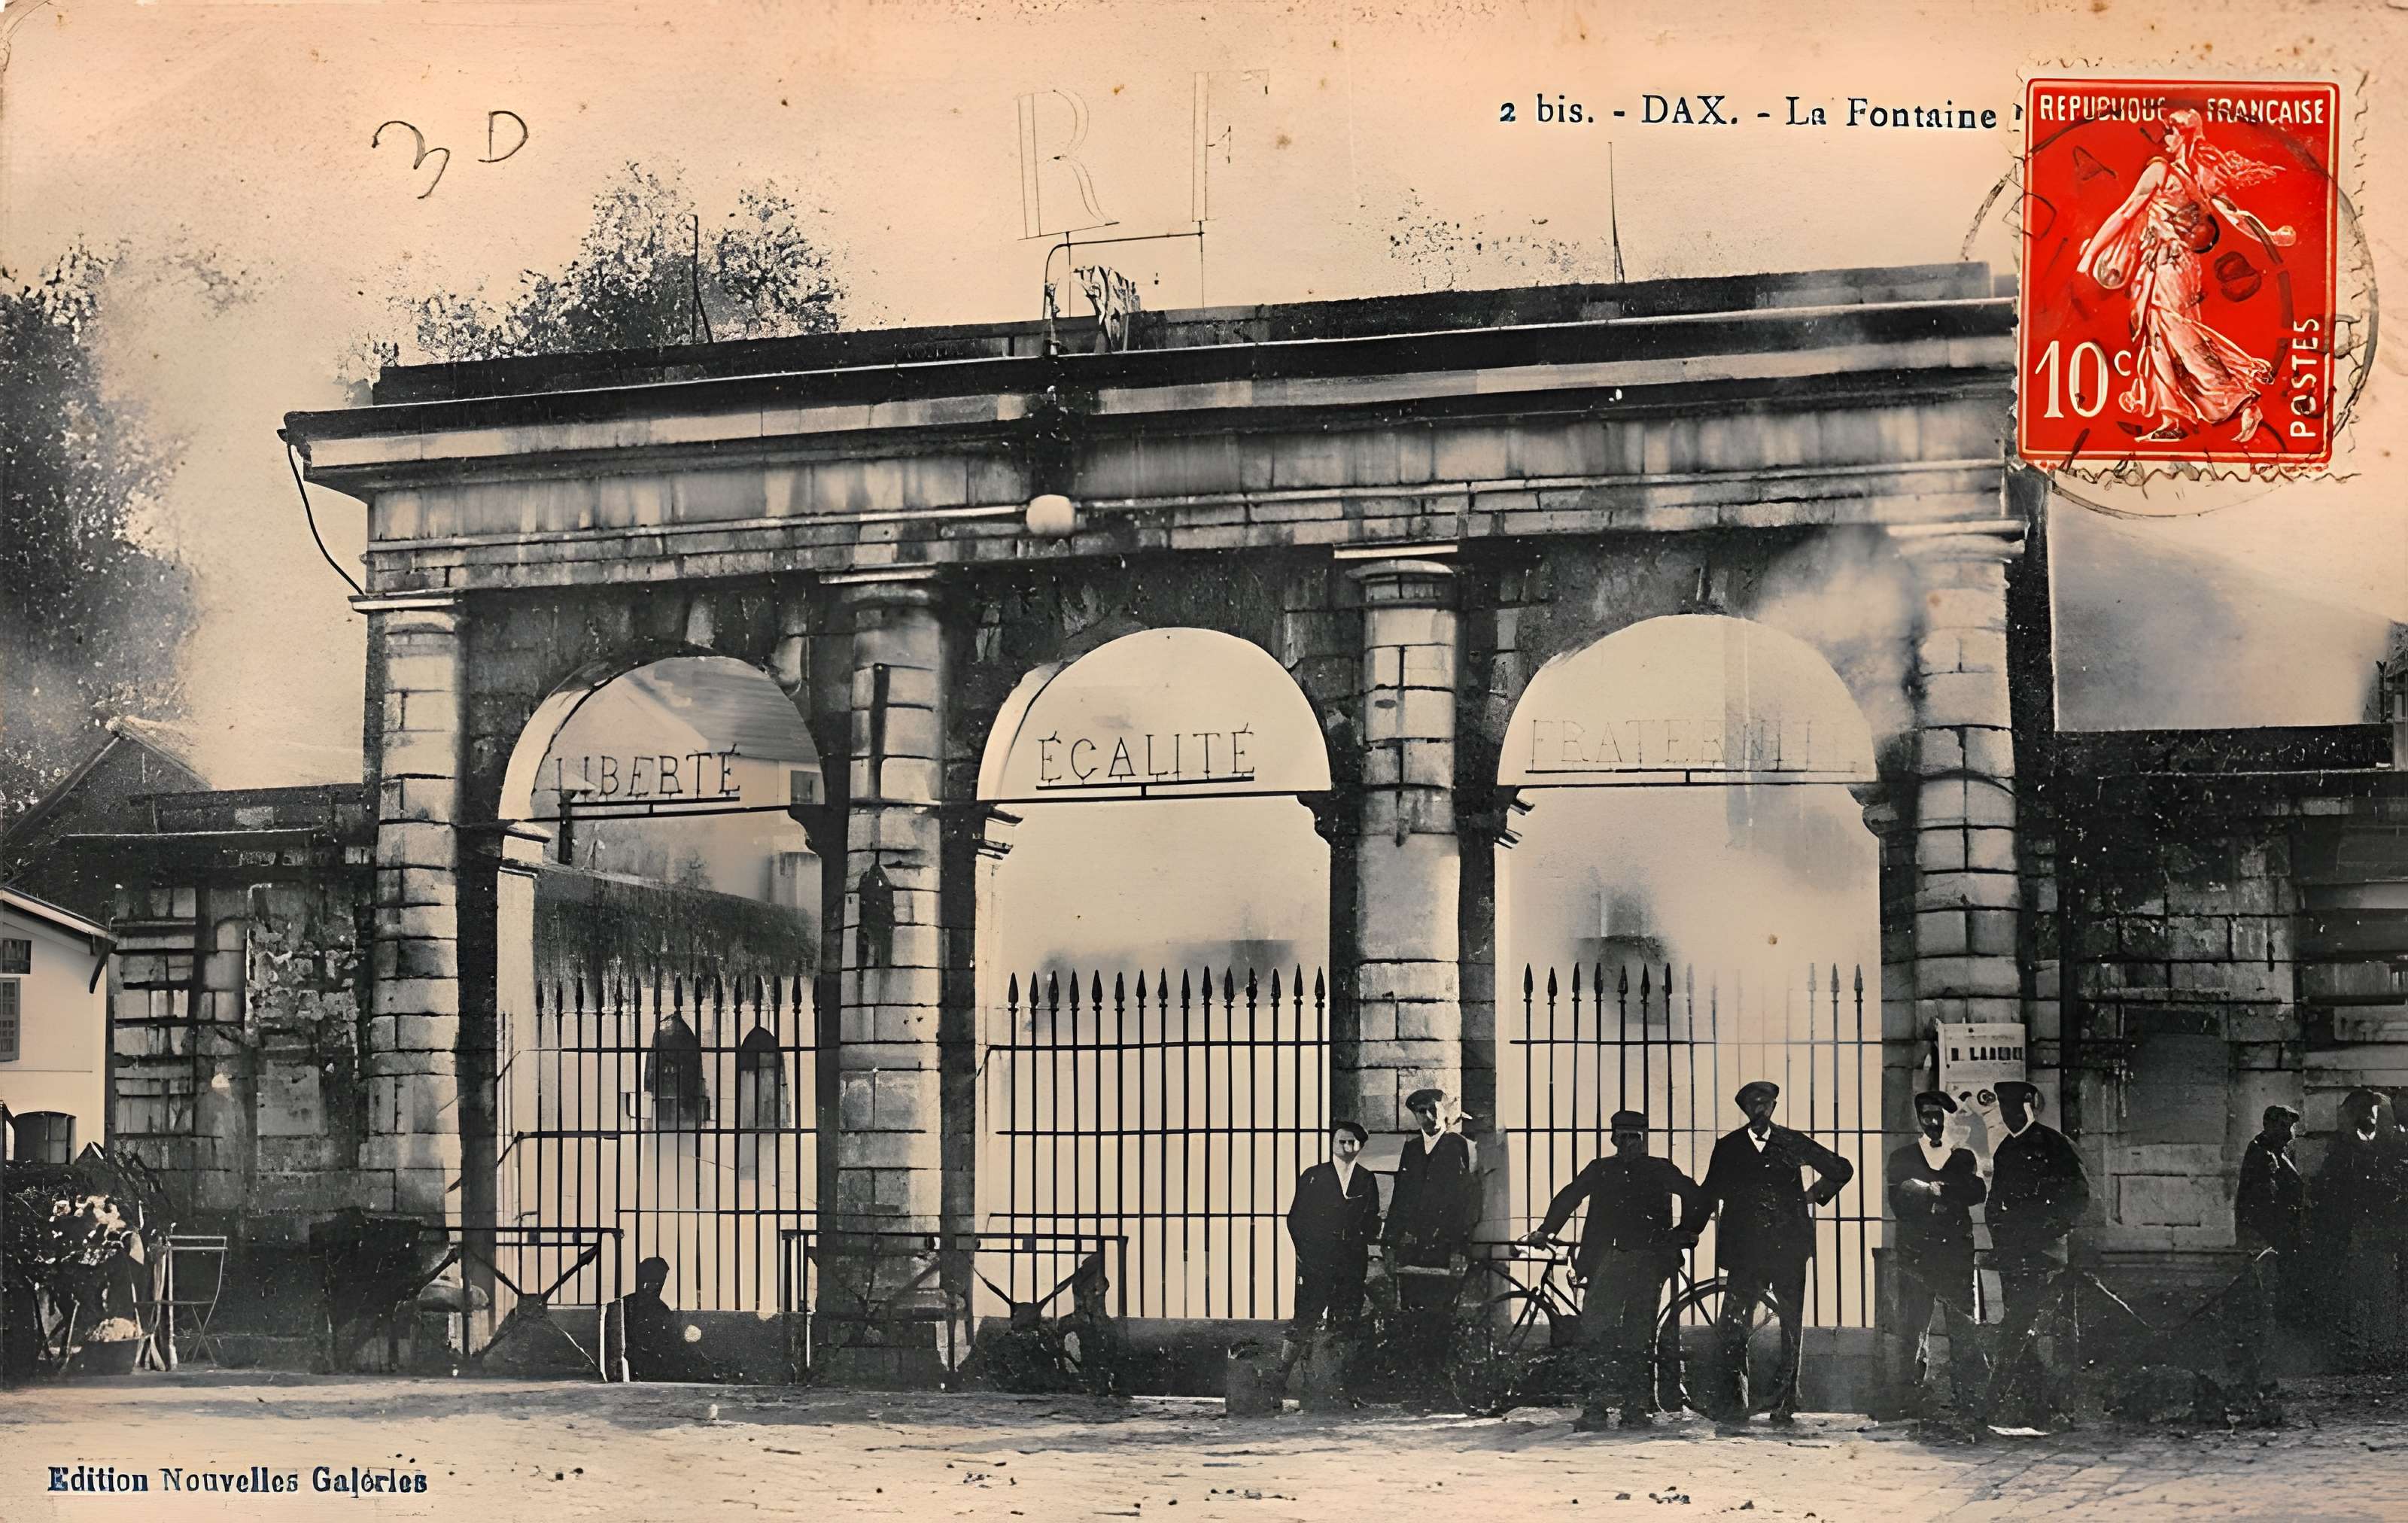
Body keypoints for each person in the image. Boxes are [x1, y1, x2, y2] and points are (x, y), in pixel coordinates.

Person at [2073, 107, 2297, 446]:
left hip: (2170, 266)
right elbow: (2235, 217)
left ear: (2184, 136)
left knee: (2179, 334)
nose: (2165, 138)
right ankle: (2172, 417)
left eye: (2171, 132)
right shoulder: (2197, 174)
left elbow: (2126, 213)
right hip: (2161, 265)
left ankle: (2240, 401)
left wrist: (2090, 255)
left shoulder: (2165, 172)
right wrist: (2271, 236)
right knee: (2156, 334)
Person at [1519, 1109, 1707, 1430]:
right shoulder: (1601, 1169)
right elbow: (1569, 1196)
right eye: (1623, 1138)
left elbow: (1698, 1197)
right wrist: (1546, 1230)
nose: (1629, 1144)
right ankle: (1595, 1407)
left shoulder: (1660, 1169)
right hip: (1606, 1261)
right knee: (1595, 1331)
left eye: (1635, 1138)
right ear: (1613, 1139)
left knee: (1639, 1334)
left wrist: (1686, 1231)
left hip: (1649, 1262)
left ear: (1644, 1140)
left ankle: (1637, 1408)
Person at [1698, 1080, 1853, 1425]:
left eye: (1765, 1103)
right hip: (1745, 1251)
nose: (1760, 1109)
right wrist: (1690, 1230)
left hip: (1789, 1248)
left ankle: (1786, 1403)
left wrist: (1813, 1196)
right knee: (1733, 1326)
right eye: (1753, 1103)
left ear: (1773, 1107)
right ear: (1744, 1109)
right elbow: (1710, 1192)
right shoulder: (1728, 1147)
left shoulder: (1791, 1141)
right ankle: (1734, 1405)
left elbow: (1841, 1169)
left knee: (1791, 1326)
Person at [1982, 1080, 2090, 1425]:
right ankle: (2028, 1405)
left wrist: (2048, 1232)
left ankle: (2056, 1407)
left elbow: (2078, 1195)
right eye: (2005, 1110)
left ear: (2030, 1106)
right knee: (2019, 1327)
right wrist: (2001, 1239)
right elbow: (1994, 1204)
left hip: (2048, 1256)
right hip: (2014, 1256)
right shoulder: (2005, 1150)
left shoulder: (2054, 1144)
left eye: (2017, 1108)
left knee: (2050, 1329)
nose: (2011, 1116)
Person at [1884, 1090, 1988, 1415]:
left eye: (1938, 1116)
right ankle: (1912, 1400)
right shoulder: (1902, 1158)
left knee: (1964, 1326)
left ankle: (1970, 1399)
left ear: (1949, 1119)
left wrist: (1934, 1190)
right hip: (1917, 1256)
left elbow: (1977, 1192)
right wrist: (1940, 1198)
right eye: (1926, 1116)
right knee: (1913, 1328)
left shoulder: (1965, 1157)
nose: (1932, 1122)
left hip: (1956, 1255)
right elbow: (1899, 1203)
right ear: (1919, 1119)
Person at [1382, 1087, 1479, 1399]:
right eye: (1420, 1111)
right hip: (1412, 1248)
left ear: (1445, 1110)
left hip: (1444, 1248)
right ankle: (1415, 1384)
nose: (1428, 1116)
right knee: (1412, 1312)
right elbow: (1400, 1197)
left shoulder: (1460, 1146)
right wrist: (1390, 1242)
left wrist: (1460, 1249)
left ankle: (1441, 1386)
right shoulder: (1411, 1150)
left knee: (1441, 1315)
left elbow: (1469, 1203)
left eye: (1433, 1109)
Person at [2312, 1088, 2406, 1369]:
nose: (2373, 1116)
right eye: (2367, 1111)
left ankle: (2380, 1349)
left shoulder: (2383, 1146)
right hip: (2355, 1233)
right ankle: (2358, 1349)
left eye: (2374, 1111)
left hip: (2382, 1232)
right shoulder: (2343, 1149)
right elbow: (2332, 1192)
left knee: (2382, 1290)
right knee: (2357, 1292)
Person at [1280, 1120, 1383, 1378]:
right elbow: (1296, 1220)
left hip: (1352, 1262)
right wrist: (1307, 1254)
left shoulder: (1366, 1178)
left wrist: (1360, 1235)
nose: (1346, 1146)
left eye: (1352, 1142)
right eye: (1341, 1141)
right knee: (1305, 1317)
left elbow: (1372, 1218)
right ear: (1332, 1143)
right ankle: (1282, 1375)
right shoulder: (1313, 1176)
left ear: (1361, 1146)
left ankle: (1337, 1380)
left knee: (1347, 1319)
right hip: (1318, 1262)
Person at [2230, 1102, 2306, 1407]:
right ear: (2270, 1126)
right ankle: (2258, 1379)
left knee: (2268, 1311)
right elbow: (2262, 1206)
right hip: (2265, 1246)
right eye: (2285, 1127)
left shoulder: (2274, 1153)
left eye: (2292, 1128)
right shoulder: (2262, 1156)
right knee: (2261, 1311)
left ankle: (2264, 1377)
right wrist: (2273, 1242)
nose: (2290, 1134)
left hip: (2274, 1245)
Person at [604, 1257, 716, 1382]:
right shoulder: (644, 1306)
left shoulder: (644, 1304)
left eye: (660, 1281)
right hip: (648, 1365)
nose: (659, 1285)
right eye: (656, 1281)